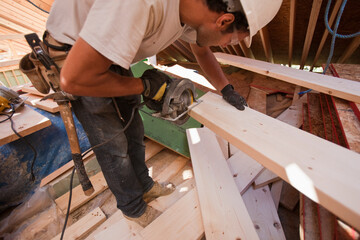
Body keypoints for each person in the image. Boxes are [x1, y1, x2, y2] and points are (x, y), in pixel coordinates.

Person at [44, 0, 282, 227]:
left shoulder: (194, 12)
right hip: (75, 58)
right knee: (113, 145)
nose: (225, 45)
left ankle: (145, 186)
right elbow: (74, 80)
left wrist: (226, 88)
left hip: (111, 51)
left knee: (134, 128)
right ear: (223, 20)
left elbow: (202, 52)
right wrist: (145, 86)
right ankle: (132, 208)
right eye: (230, 40)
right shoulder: (139, 5)